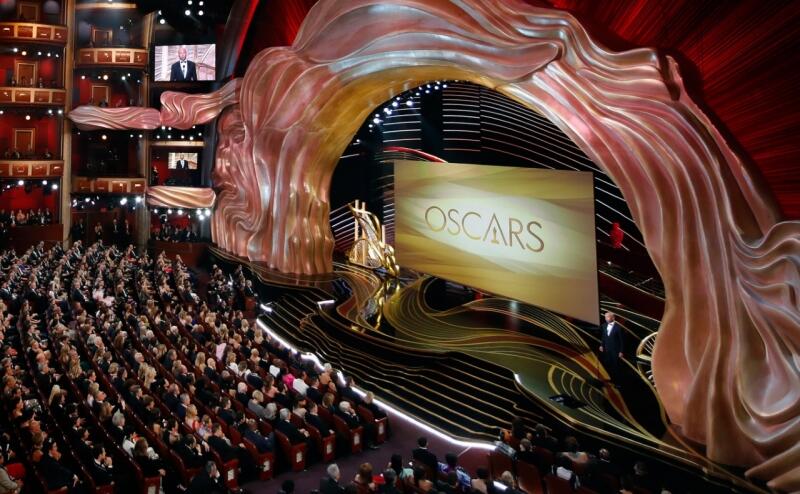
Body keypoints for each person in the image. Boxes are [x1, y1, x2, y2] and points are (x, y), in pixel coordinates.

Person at [599, 311, 624, 385]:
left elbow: (622, 341)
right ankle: (610, 379)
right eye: (605, 317)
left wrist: (621, 351)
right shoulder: (604, 325)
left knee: (616, 367)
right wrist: (601, 345)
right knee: (607, 365)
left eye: (607, 317)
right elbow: (603, 337)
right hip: (606, 349)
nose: (606, 318)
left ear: (613, 318)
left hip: (615, 351)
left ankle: (618, 382)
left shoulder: (618, 327)